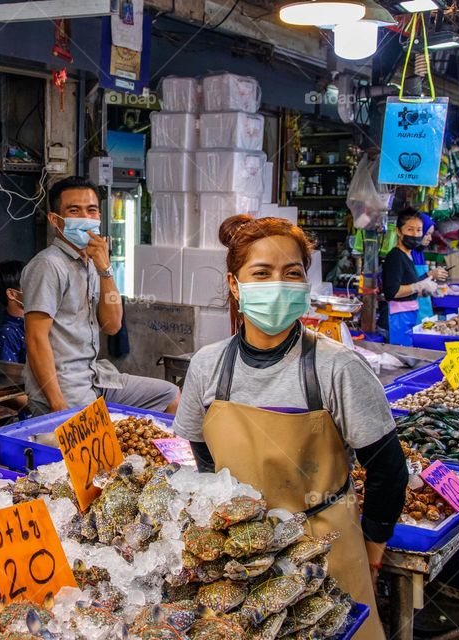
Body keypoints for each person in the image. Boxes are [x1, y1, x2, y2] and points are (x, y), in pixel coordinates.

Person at [173, 214, 407, 640]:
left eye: (292, 273)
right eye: (261, 273)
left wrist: (371, 549)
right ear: (234, 285)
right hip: (240, 563)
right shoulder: (207, 366)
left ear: (305, 285)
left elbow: (389, 468)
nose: (277, 284)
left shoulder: (338, 367)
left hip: (327, 550)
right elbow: (201, 454)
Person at [23, 176, 180, 415]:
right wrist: (58, 405)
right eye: (74, 210)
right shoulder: (48, 265)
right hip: (67, 389)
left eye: (91, 210)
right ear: (56, 220)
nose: (85, 217)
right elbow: (36, 339)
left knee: (169, 396)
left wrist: (105, 270)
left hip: (97, 377)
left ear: (98, 216)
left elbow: (113, 325)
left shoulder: (92, 263)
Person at [382, 209, 438, 345]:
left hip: (408, 316)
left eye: (419, 230)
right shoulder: (395, 256)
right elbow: (392, 292)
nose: (415, 234)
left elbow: (407, 285)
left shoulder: (409, 255)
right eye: (410, 229)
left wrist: (425, 289)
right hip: (396, 320)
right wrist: (418, 286)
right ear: (399, 232)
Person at [0, 260, 28, 364]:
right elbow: (8, 378)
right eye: (29, 285)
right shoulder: (7, 335)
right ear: (12, 294)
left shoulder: (39, 323)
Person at [411, 213, 448, 321]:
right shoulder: (407, 254)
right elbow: (408, 285)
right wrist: (430, 274)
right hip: (413, 313)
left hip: (424, 309)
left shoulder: (419, 253)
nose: (430, 238)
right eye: (427, 234)